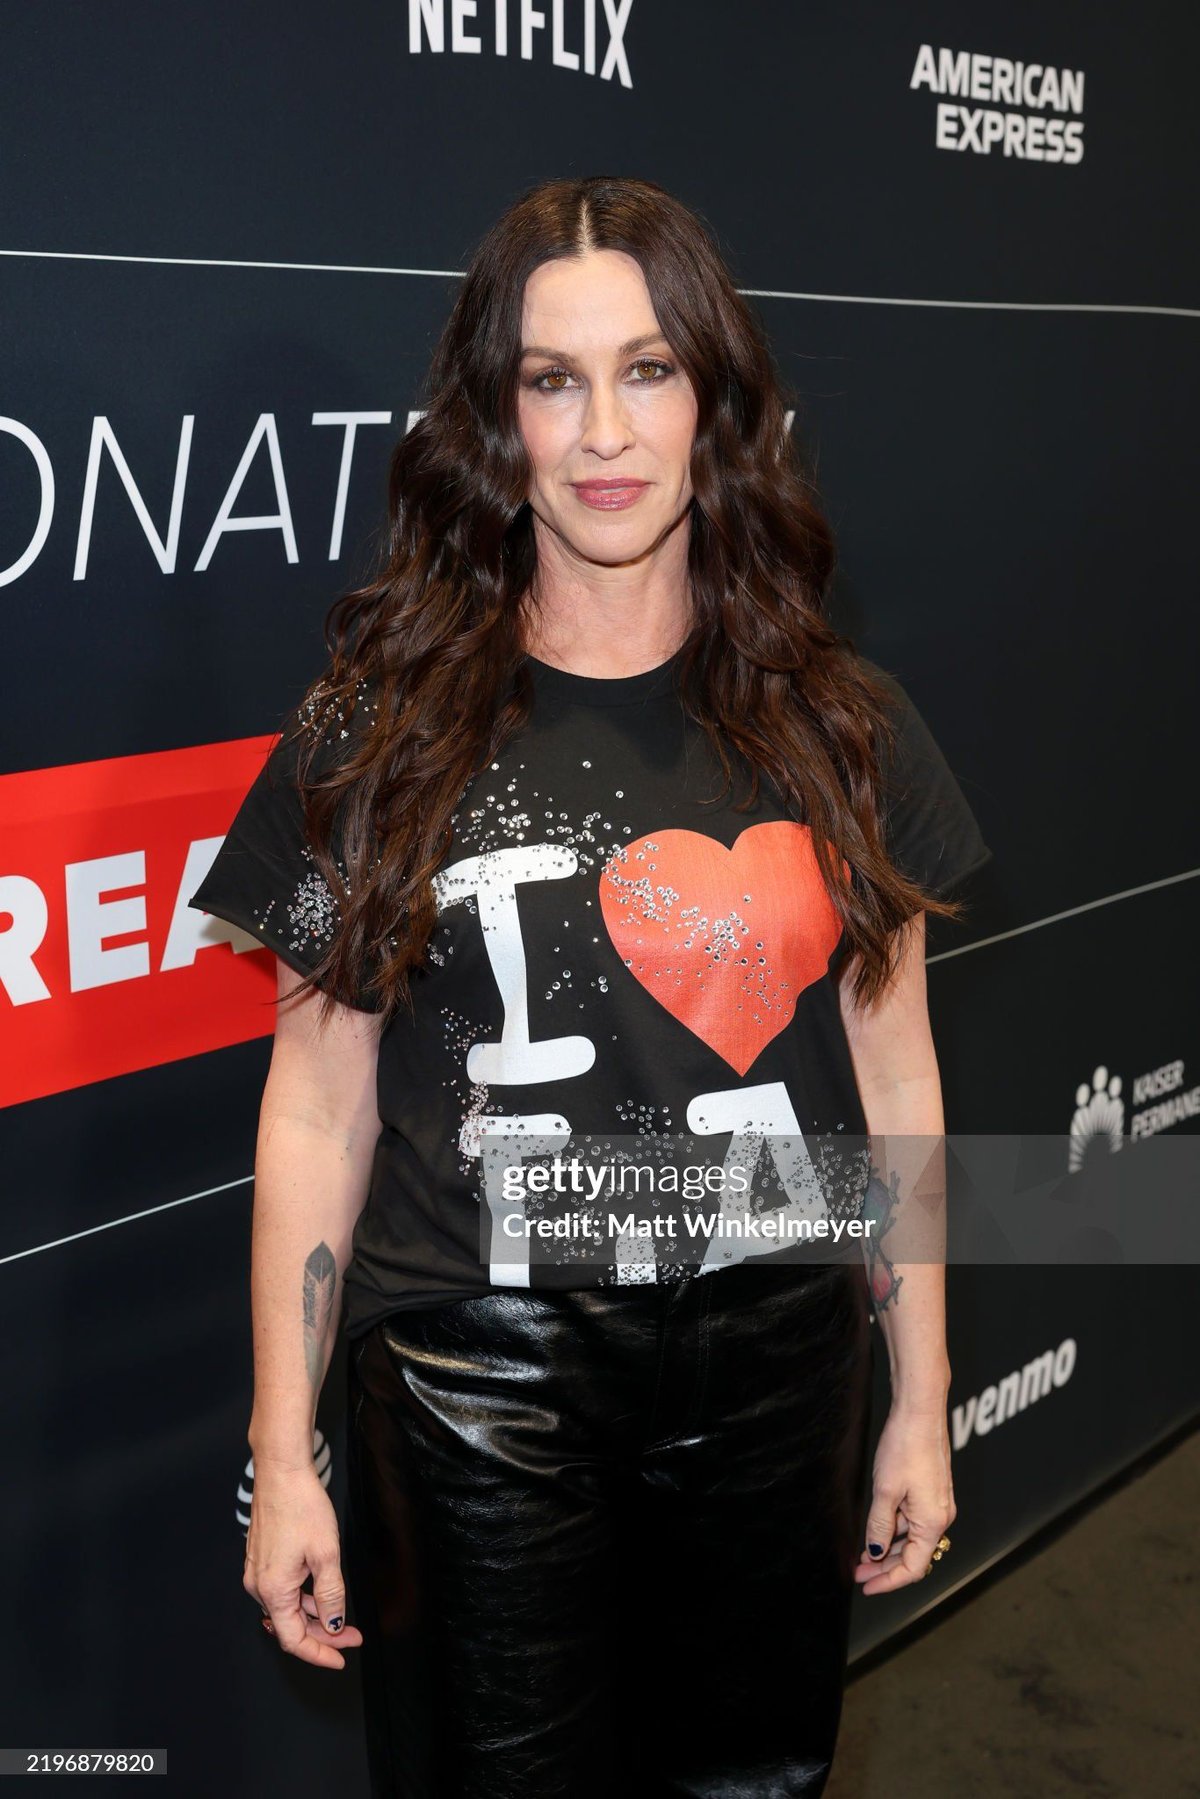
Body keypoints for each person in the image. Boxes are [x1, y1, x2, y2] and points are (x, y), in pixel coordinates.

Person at [190, 174, 992, 1798]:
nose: (605, 433)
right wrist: (287, 1449)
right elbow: (318, 1110)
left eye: (649, 370)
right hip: (479, 1387)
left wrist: (920, 1395)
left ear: (716, 400)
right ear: (495, 421)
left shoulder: (840, 724)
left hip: (781, 1366)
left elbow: (892, 1077)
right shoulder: (374, 735)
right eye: (553, 380)